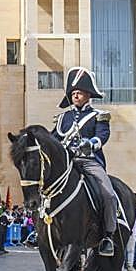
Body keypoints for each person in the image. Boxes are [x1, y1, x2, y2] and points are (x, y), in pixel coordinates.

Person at [53, 67, 119, 256]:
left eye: (79, 92)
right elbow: (55, 138)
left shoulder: (99, 115)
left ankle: (108, 235)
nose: (75, 96)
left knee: (109, 195)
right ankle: (41, 231)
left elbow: (102, 136)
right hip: (68, 164)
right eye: (73, 93)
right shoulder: (62, 118)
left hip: (89, 162)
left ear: (88, 95)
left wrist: (90, 144)